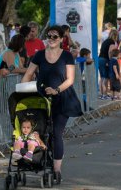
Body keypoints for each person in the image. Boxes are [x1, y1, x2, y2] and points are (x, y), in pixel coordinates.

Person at [21, 25, 82, 182]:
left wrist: (56, 90)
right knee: (40, 132)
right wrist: (21, 91)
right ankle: (41, 160)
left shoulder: (67, 56)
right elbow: (28, 73)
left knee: (55, 133)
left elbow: (70, 79)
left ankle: (56, 170)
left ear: (61, 39)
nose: (51, 39)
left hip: (63, 99)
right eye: (49, 36)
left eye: (55, 36)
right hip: (42, 99)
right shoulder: (40, 55)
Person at [98, 29, 118, 100]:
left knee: (102, 77)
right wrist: (110, 61)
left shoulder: (106, 41)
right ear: (115, 35)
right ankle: (105, 95)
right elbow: (110, 52)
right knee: (105, 78)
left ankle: (102, 94)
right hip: (105, 60)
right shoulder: (112, 42)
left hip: (100, 59)